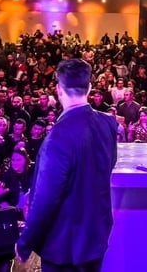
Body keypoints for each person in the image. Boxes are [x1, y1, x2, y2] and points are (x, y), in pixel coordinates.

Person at [15, 59, 119, 271]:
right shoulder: (108, 122)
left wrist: (25, 243)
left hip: (65, 245)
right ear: (89, 87)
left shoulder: (58, 136)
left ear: (58, 89)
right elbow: (108, 165)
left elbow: (47, 198)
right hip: (96, 235)